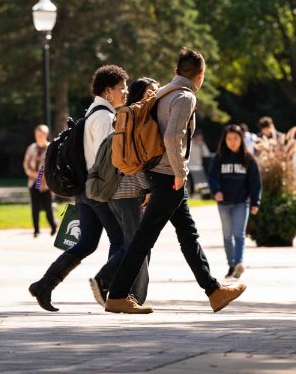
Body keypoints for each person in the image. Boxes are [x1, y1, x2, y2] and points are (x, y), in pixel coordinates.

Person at [105, 47, 246, 314]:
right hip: (169, 176)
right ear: (201, 75)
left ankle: (214, 291)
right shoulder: (184, 97)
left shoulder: (163, 92)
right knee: (144, 237)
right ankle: (118, 295)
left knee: (187, 235)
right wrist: (181, 174)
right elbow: (172, 137)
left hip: (159, 172)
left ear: (176, 71)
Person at [29, 65, 129, 312]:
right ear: (108, 91)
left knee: (86, 243)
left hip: (84, 190)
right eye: (121, 88)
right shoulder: (105, 118)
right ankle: (106, 284)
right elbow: (106, 160)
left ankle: (44, 285)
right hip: (99, 190)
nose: (125, 92)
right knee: (125, 241)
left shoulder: (92, 113)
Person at [92, 77, 159, 307]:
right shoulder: (133, 118)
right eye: (150, 91)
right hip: (130, 192)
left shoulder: (126, 116)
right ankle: (123, 291)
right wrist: (148, 187)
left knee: (130, 244)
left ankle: (124, 293)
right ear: (140, 95)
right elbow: (132, 161)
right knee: (138, 247)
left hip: (117, 193)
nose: (155, 95)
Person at [208, 124, 262, 279]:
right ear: (224, 140)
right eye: (229, 138)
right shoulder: (219, 158)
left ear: (242, 139)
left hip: (241, 202)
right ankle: (231, 265)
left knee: (239, 234)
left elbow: (255, 182)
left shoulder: (248, 158)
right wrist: (216, 191)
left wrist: (255, 202)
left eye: (236, 138)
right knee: (227, 235)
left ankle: (238, 263)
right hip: (223, 203)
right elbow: (212, 177)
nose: (232, 142)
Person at [23, 124, 56, 238]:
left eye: (41, 135)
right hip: (34, 181)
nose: (39, 137)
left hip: (46, 183)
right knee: (35, 207)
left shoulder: (51, 147)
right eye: (37, 135)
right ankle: (36, 230)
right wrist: (33, 174)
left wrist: (46, 175)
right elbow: (26, 164)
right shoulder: (31, 148)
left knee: (48, 208)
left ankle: (53, 226)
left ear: (46, 135)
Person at [188, 130, 211, 196]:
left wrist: (202, 146)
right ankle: (192, 193)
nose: (199, 140)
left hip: (199, 167)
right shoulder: (189, 143)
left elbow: (207, 154)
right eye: (198, 138)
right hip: (189, 167)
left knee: (203, 181)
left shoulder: (201, 145)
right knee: (192, 180)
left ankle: (203, 193)